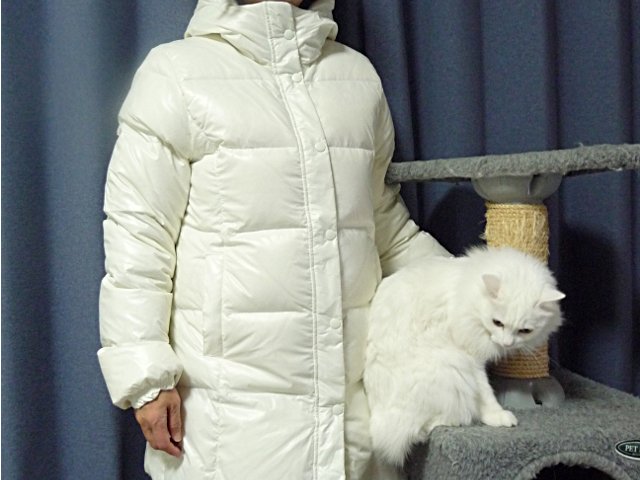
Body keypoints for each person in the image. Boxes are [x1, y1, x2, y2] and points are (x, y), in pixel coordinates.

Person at [98, 0, 449, 478]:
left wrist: (483, 294)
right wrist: (145, 376)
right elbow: (138, 236)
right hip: (226, 428)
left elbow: (384, 227)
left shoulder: (356, 78)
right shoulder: (176, 74)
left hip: (353, 430)